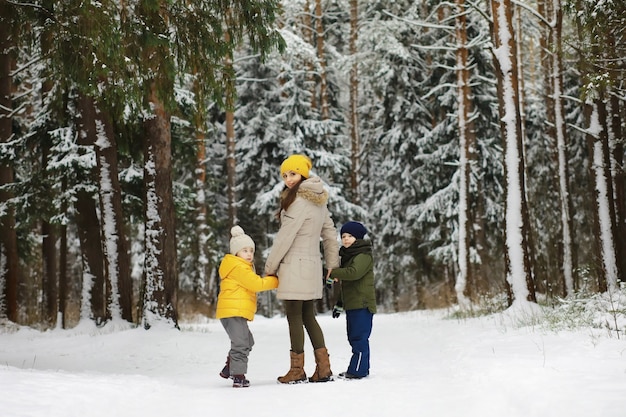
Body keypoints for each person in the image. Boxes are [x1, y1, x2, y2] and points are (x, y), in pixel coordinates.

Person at [264, 154, 340, 384]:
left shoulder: (298, 202)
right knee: (308, 316)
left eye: (293, 174)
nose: (288, 179)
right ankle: (323, 368)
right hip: (312, 265)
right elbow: (330, 234)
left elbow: (285, 238)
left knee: (294, 317)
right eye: (285, 175)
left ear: (303, 174)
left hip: (294, 266)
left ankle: (297, 370)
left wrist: (270, 267)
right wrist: (331, 265)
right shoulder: (318, 201)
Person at [216, 225, 279, 388]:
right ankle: (238, 375)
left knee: (247, 341)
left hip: (233, 311)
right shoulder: (238, 267)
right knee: (241, 343)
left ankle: (229, 368)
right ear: (236, 252)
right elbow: (256, 284)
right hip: (233, 311)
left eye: (251, 250)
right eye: (245, 250)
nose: (249, 254)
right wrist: (276, 280)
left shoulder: (239, 266)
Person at [327, 221, 376, 379]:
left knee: (359, 337)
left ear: (359, 237)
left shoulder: (363, 255)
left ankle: (358, 371)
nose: (346, 239)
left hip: (362, 304)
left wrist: (333, 273)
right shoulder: (349, 256)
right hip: (353, 304)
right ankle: (360, 368)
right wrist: (340, 304)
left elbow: (354, 273)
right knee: (353, 337)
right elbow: (347, 285)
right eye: (343, 236)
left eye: (350, 236)